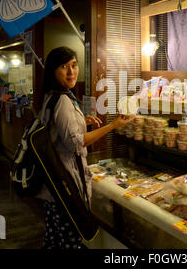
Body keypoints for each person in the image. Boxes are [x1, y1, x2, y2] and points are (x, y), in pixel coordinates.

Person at [36, 46, 134, 249]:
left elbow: (57, 133)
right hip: (65, 186)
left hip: (51, 184)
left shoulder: (50, 96)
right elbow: (76, 143)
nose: (71, 72)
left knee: (54, 239)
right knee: (70, 242)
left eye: (74, 65)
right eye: (64, 66)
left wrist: (82, 122)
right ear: (54, 70)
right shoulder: (63, 100)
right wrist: (113, 125)